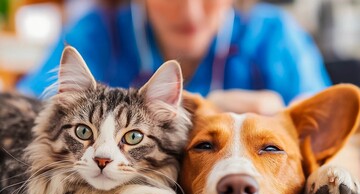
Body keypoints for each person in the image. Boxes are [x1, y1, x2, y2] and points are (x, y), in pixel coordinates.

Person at [17, 0, 331, 115]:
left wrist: (286, 122)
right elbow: (23, 111)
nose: (191, 11)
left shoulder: (274, 34)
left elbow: (337, 135)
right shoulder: (97, 32)